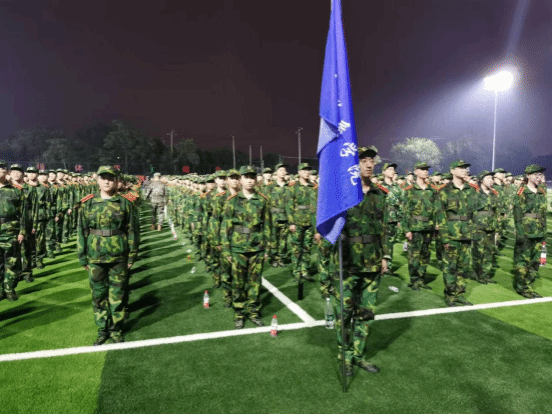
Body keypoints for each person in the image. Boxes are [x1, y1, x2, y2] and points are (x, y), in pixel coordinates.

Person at [330, 146, 388, 376]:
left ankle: (358, 355)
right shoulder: (341, 194)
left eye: (371, 160)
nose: (369, 164)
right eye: (363, 160)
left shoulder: (379, 195)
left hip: (372, 261)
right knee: (344, 313)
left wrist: (385, 256)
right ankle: (344, 356)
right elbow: (329, 230)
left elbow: (384, 228)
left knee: (366, 313)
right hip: (347, 262)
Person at [78, 166, 138, 345]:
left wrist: (132, 255)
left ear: (116, 181)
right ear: (97, 180)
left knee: (118, 294)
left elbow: (133, 231)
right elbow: (82, 231)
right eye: (103, 178)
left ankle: (116, 329)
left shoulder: (125, 203)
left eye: (111, 178)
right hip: (95, 255)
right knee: (98, 294)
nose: (107, 181)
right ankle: (102, 329)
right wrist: (82, 256)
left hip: (118, 255)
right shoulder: (88, 203)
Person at [221, 165, 273, 329]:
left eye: (252, 177)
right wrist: (226, 250)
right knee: (238, 282)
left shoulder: (262, 200)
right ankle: (239, 313)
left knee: (255, 282)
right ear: (241, 180)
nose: (250, 180)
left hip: (257, 247)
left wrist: (268, 248)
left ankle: (253, 312)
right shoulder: (232, 201)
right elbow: (225, 227)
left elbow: (268, 225)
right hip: (238, 247)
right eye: (246, 177)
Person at [435, 160, 477, 307]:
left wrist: (473, 233)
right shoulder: (444, 191)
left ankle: (460, 294)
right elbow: (441, 215)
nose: (465, 170)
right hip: (451, 234)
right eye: (461, 168)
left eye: (466, 168)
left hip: (466, 234)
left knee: (464, 267)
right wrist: (444, 237)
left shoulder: (471, 190)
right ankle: (450, 295)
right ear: (452, 171)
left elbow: (474, 214)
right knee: (450, 267)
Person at [513, 164, 547, 298]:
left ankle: (529, 286)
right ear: (528, 175)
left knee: (535, 261)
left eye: (540, 175)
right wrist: (520, 233)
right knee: (523, 261)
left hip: (539, 232)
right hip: (526, 232)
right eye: (535, 174)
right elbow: (517, 215)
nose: (538, 177)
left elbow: (543, 214)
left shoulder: (541, 192)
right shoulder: (522, 192)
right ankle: (522, 287)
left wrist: (544, 232)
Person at [402, 162, 438, 290]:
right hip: (415, 227)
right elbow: (405, 212)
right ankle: (414, 280)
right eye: (422, 169)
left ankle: (421, 279)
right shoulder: (410, 191)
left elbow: (435, 210)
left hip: (428, 227)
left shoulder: (431, 191)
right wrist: (406, 230)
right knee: (414, 255)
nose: (425, 171)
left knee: (425, 255)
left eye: (426, 169)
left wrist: (435, 226)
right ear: (416, 172)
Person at [0, 161, 26, 301]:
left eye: (2, 168)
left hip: (10, 230)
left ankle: (9, 288)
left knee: (12, 261)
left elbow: (23, 213)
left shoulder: (16, 190)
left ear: (7, 172)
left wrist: (22, 231)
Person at [286, 163, 316, 284]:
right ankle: (296, 271)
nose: (307, 172)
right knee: (296, 248)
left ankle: (305, 270)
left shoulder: (314, 187)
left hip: (310, 222)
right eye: (304, 170)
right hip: (297, 222)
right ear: (299, 172)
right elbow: (289, 206)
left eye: (308, 170)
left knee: (307, 247)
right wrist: (291, 222)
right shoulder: (293, 187)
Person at [472, 171, 499, 284]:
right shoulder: (475, 193)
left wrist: (497, 229)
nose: (491, 180)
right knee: (478, 252)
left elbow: (496, 212)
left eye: (492, 178)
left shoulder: (494, 194)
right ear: (481, 180)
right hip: (478, 226)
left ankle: (485, 274)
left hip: (491, 226)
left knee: (489, 252)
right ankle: (477, 274)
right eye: (488, 178)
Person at [266, 163, 290, 267]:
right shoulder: (270, 187)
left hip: (285, 217)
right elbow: (266, 202)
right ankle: (274, 258)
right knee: (273, 239)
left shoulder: (289, 186)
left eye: (284, 170)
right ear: (276, 172)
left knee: (283, 240)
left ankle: (281, 258)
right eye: (280, 170)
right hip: (273, 217)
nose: (283, 172)